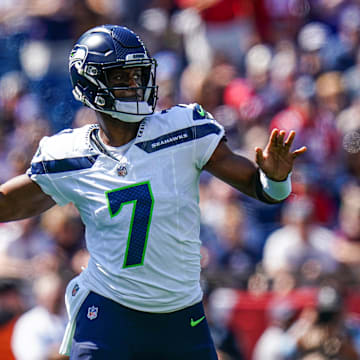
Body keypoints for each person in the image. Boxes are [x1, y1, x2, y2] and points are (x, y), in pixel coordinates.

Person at [0, 25, 306, 359]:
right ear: (91, 84)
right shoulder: (70, 155)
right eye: (122, 77)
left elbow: (263, 190)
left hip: (180, 316)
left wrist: (276, 178)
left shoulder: (183, 130)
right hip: (108, 314)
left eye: (139, 74)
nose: (135, 85)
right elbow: (7, 204)